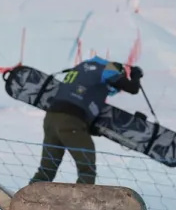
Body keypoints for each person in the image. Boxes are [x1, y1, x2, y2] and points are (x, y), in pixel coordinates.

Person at [30, 56, 143, 185]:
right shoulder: (109, 68)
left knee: (46, 169)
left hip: (51, 119)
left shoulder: (82, 67)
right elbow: (132, 89)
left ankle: (26, 200)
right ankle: (80, 202)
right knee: (86, 169)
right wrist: (136, 75)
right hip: (71, 121)